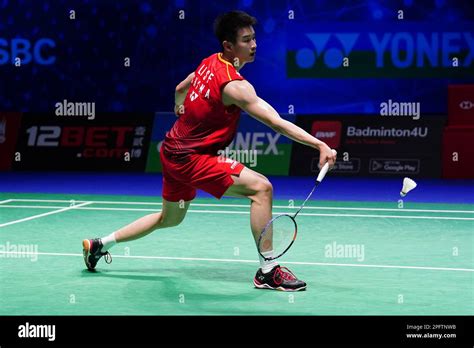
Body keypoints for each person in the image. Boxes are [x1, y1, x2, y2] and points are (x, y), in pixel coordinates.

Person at [83, 10, 336, 291]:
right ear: (228, 45)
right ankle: (268, 271)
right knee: (261, 189)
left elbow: (181, 87)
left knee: (169, 218)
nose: (254, 45)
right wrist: (319, 144)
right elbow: (276, 122)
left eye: (254, 38)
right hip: (190, 158)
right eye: (246, 40)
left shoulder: (209, 62)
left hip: (171, 151)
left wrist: (179, 105)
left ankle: (99, 244)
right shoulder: (236, 87)